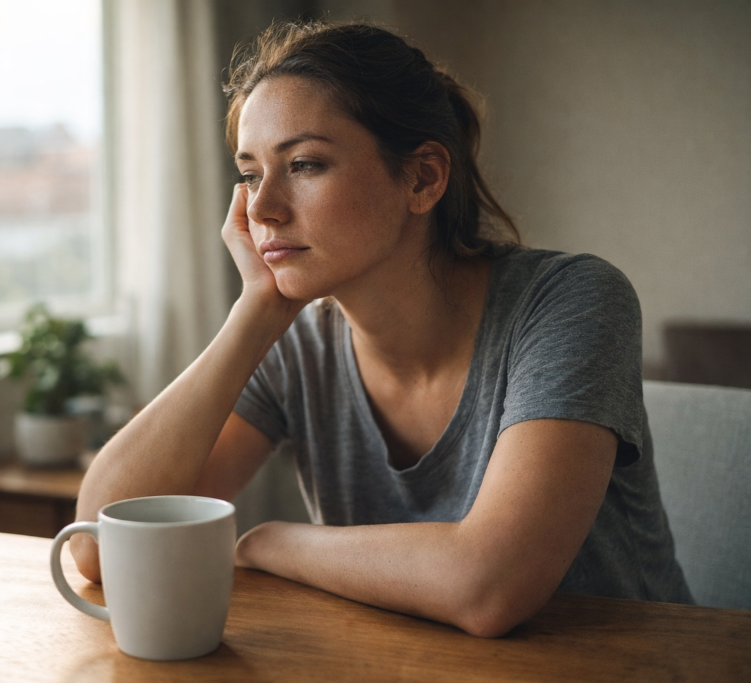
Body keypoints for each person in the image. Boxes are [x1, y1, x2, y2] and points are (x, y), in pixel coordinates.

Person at [71, 20, 692, 637]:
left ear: (422, 178)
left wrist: (270, 543)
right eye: (252, 174)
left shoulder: (571, 302)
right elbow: (96, 551)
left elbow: (489, 585)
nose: (261, 210)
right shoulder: (297, 344)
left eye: (306, 164)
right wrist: (253, 314)